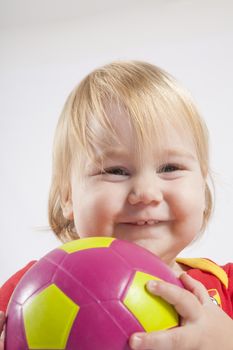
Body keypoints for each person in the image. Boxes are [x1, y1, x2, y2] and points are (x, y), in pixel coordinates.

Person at [1, 60, 233, 349]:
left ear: (203, 186)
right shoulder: (28, 293)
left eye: (170, 167)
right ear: (67, 196)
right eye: (116, 171)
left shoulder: (225, 285)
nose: (147, 193)